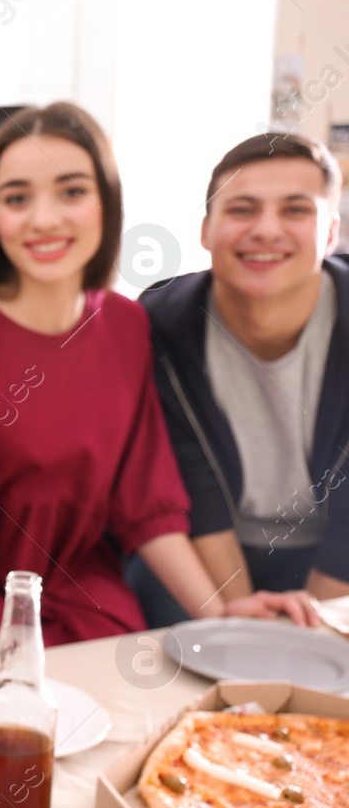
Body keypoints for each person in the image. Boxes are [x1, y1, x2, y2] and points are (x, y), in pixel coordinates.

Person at [0, 103, 314, 684]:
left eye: (71, 191)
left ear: (105, 204)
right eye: (16, 198)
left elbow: (147, 504)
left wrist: (223, 613)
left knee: (136, 694)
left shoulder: (126, 326)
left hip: (77, 580)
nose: (44, 218)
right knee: (13, 696)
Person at [130, 133, 349, 625]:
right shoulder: (162, 325)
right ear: (206, 230)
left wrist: (314, 626)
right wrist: (238, 619)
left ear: (331, 230)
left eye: (296, 210)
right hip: (208, 547)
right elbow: (192, 485)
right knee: (189, 654)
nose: (266, 230)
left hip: (332, 554)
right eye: (242, 210)